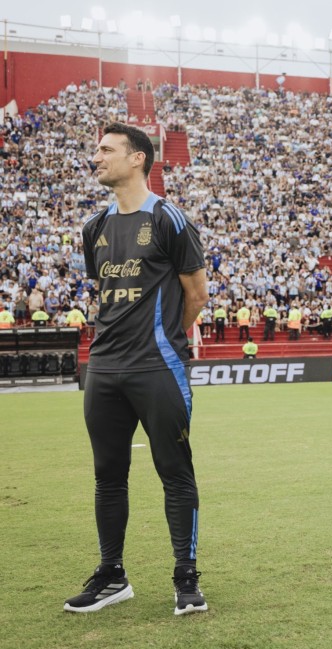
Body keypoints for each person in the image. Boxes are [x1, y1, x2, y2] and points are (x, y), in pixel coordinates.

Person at [65, 122, 209, 616]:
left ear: (138, 159)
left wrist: (168, 340)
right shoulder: (95, 228)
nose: (97, 157)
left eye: (107, 150)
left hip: (157, 365)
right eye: (97, 149)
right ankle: (112, 575)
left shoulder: (169, 218)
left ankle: (186, 578)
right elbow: (104, 293)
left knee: (175, 472)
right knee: (108, 475)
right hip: (104, 368)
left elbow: (197, 294)